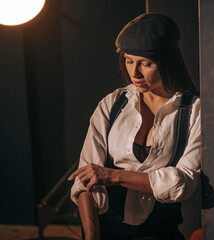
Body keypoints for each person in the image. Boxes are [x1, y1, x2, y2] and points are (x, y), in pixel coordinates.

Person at [68, 13, 201, 240]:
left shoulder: (192, 109)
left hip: (160, 233)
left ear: (167, 60)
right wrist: (91, 236)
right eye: (129, 61)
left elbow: (183, 183)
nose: (134, 73)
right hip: (104, 230)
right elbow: (85, 179)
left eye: (146, 64)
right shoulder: (113, 103)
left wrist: (113, 176)